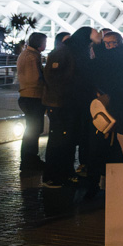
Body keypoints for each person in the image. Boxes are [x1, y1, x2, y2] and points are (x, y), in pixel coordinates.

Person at [42, 27, 99, 188]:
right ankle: (52, 176)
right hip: (62, 105)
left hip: (73, 104)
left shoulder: (79, 52)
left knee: (69, 141)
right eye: (92, 37)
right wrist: (66, 94)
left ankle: (66, 173)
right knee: (59, 140)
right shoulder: (64, 52)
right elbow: (53, 77)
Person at [16, 31, 47, 170]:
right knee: (33, 130)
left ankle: (30, 159)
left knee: (32, 129)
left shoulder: (27, 54)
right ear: (39, 43)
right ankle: (30, 160)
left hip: (26, 96)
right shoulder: (31, 57)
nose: (45, 45)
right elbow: (35, 79)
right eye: (44, 42)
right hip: (33, 96)